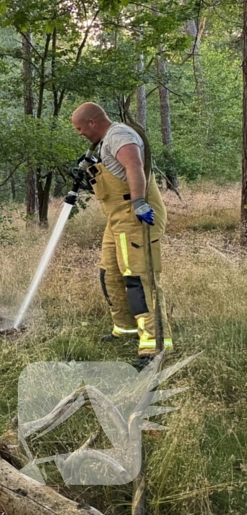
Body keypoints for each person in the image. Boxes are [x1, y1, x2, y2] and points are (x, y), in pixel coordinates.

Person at [70, 102, 171, 357]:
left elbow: (134, 167)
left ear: (92, 122)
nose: (79, 133)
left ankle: (154, 345)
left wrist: (139, 202)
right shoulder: (105, 143)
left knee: (139, 278)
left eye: (80, 128)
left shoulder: (120, 136)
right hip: (116, 219)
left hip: (136, 216)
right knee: (110, 274)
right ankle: (125, 328)